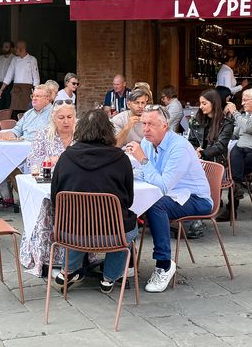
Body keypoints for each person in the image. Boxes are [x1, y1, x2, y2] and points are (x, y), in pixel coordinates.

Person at [126, 106, 212, 293]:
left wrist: (142, 160)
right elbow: (147, 174)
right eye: (143, 124)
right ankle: (127, 260)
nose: (145, 129)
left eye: (151, 124)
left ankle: (164, 265)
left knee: (156, 206)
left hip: (195, 198)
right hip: (170, 195)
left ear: (164, 126)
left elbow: (163, 185)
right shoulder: (148, 142)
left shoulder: (179, 147)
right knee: (127, 199)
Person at [51, 108, 137, 293]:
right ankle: (109, 278)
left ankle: (69, 270)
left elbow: (55, 197)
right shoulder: (121, 159)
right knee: (128, 225)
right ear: (108, 131)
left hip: (71, 233)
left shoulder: (66, 157)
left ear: (80, 129)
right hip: (112, 234)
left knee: (77, 219)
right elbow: (128, 200)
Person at [187, 88, 235, 235]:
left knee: (195, 178)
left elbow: (221, 146)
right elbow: (191, 141)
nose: (201, 107)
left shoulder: (226, 123)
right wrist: (195, 150)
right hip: (198, 161)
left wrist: (203, 153)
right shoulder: (197, 120)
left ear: (214, 103)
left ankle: (197, 217)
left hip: (216, 163)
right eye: (200, 103)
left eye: (204, 103)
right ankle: (190, 215)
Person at [27, 101, 75, 173]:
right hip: (51, 177)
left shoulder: (81, 134)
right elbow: (32, 162)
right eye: (61, 118)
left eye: (69, 117)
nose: (66, 121)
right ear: (53, 118)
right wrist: (48, 161)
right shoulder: (43, 134)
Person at [0, 40, 40, 115]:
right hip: (16, 90)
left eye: (16, 48)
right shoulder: (15, 60)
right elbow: (8, 75)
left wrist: (36, 92)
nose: (14, 50)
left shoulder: (32, 59)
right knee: (14, 111)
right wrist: (1, 89)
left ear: (21, 49)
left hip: (27, 90)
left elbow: (36, 78)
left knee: (27, 111)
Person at [0, 40, 15, 109]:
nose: (4, 49)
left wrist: (13, 87)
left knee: (8, 105)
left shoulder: (14, 58)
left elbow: (15, 74)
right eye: (3, 47)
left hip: (9, 85)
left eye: (6, 47)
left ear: (11, 48)